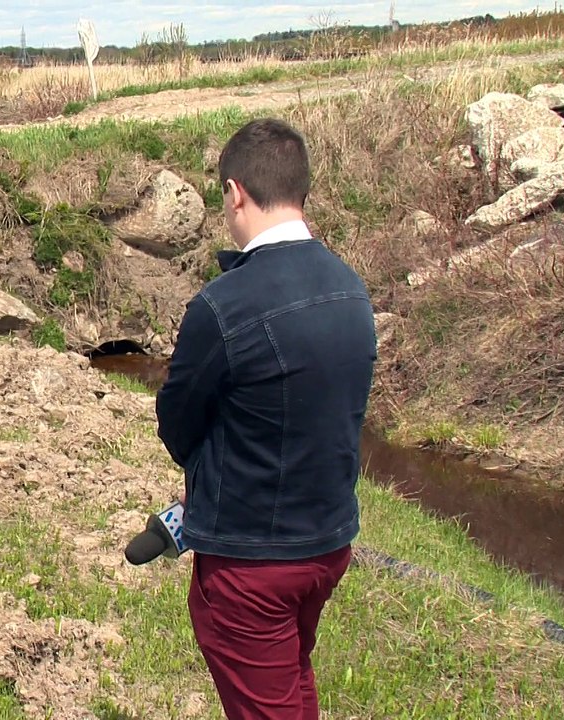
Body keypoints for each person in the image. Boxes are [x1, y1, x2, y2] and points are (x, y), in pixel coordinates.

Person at [155, 118, 376, 719]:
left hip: (253, 562)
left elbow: (177, 423)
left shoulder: (223, 305)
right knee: (291, 679)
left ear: (234, 193)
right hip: (328, 543)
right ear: (301, 191)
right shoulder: (350, 288)